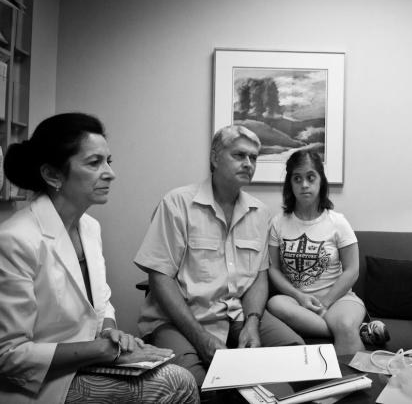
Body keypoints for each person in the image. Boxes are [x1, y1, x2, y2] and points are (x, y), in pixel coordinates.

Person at [0, 113, 199, 404]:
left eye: (108, 161)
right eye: (94, 163)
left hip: (85, 363)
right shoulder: (15, 239)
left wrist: (111, 333)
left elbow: (100, 302)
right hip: (39, 385)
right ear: (53, 175)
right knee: (175, 382)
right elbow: (9, 355)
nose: (110, 173)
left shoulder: (90, 228)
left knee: (175, 371)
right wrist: (105, 351)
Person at [134, 124, 304, 387]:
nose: (248, 163)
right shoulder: (177, 203)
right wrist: (200, 337)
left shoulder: (259, 212)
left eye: (253, 158)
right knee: (193, 383)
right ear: (214, 158)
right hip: (179, 319)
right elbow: (160, 278)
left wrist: (252, 322)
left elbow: (258, 277)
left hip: (236, 314)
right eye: (239, 155)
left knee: (297, 355)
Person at [267, 150, 389, 355]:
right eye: (297, 178)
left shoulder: (338, 222)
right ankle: (358, 330)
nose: (304, 184)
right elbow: (274, 270)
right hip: (296, 302)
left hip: (339, 299)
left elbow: (352, 270)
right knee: (274, 303)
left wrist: (326, 302)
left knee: (344, 324)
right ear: (290, 183)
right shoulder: (278, 223)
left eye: (310, 177)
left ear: (321, 180)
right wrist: (299, 297)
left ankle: (347, 330)